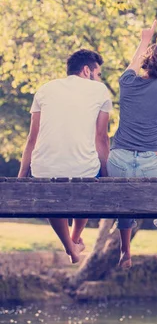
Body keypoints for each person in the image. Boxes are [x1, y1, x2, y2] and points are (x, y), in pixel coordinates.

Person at [17, 49, 112, 264]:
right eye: (98, 74)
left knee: (52, 189)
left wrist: (22, 176)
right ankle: (75, 237)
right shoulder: (100, 91)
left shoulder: (44, 89)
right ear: (87, 70)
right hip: (84, 171)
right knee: (89, 175)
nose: (99, 79)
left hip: (43, 170)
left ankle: (70, 246)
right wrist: (106, 175)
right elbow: (101, 139)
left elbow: (32, 138)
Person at [107, 20, 157, 270]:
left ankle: (126, 251)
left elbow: (133, 64)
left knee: (124, 199)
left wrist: (145, 39)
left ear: (146, 62)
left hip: (118, 162)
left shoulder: (126, 83)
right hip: (152, 163)